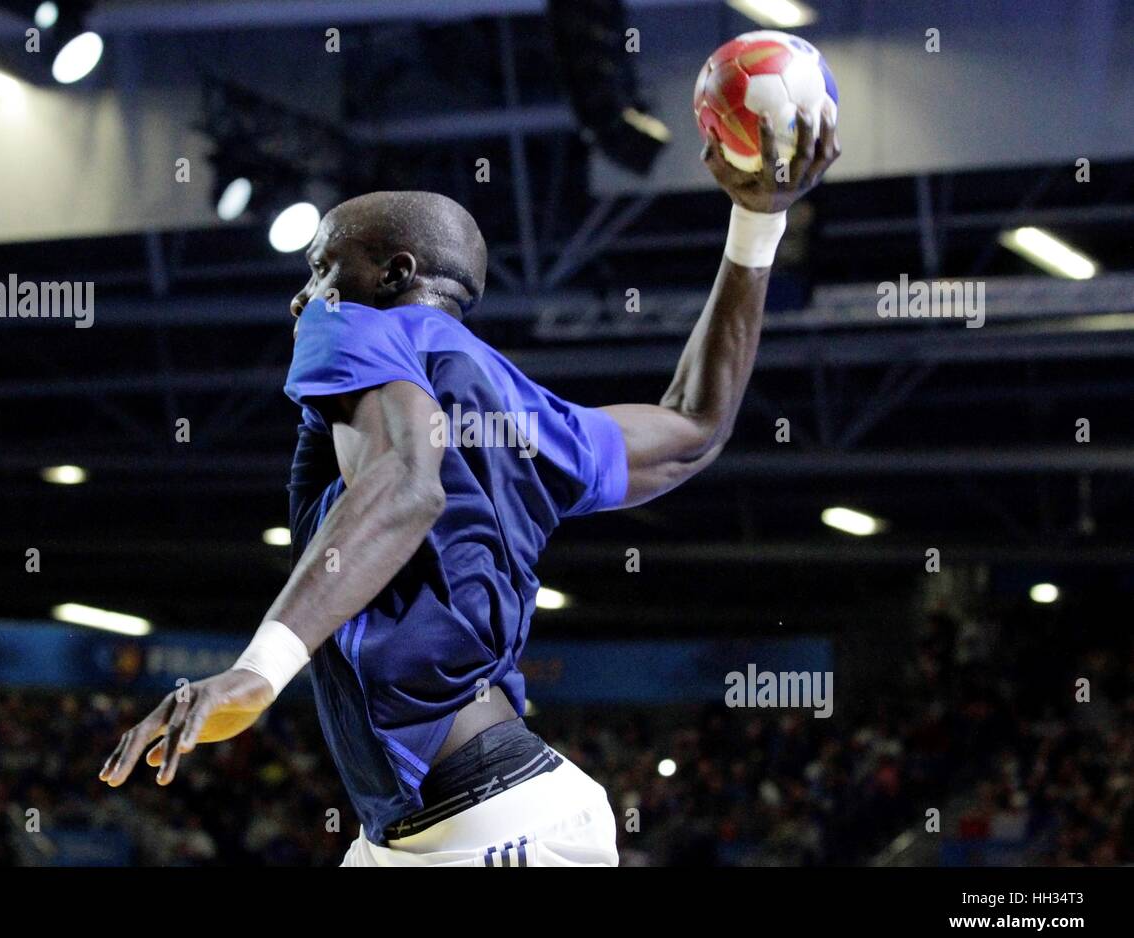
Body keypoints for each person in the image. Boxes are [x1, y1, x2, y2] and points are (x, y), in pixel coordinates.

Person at [100, 109, 840, 866]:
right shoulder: (531, 415)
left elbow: (405, 482)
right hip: (469, 818)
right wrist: (756, 224)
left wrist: (256, 674)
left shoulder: (352, 325)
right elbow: (695, 426)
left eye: (321, 268)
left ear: (392, 275)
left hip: (478, 826)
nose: (303, 296)